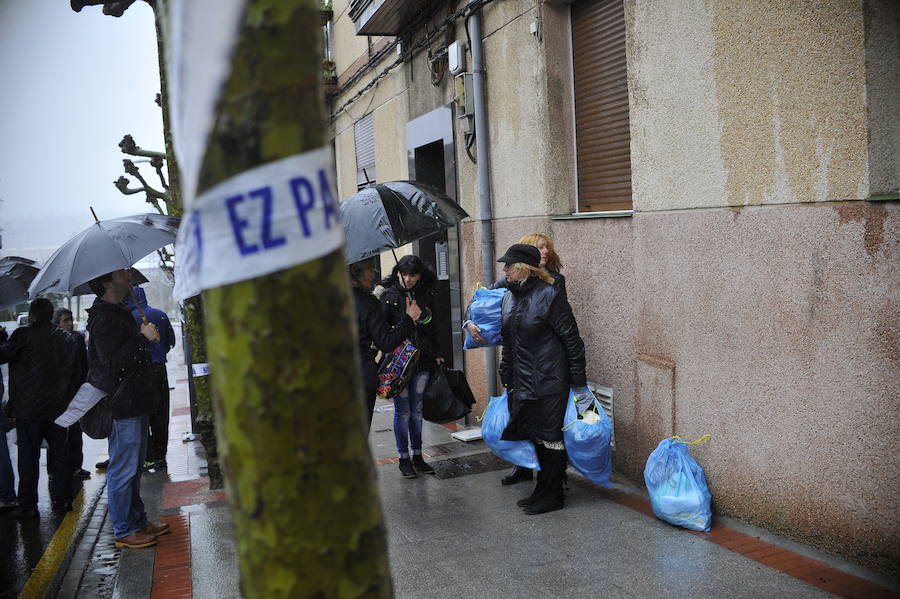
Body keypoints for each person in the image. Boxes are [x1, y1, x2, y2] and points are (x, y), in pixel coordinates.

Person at [495, 244, 590, 515]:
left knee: (550, 437)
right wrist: (506, 374)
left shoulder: (550, 295)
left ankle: (554, 493)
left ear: (524, 268)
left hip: (550, 380)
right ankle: (542, 488)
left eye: (509, 265)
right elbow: (508, 341)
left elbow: (572, 341)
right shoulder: (509, 297)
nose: (504, 270)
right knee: (535, 435)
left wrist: (579, 383)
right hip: (522, 380)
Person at [465, 232, 566, 486]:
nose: (544, 251)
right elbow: (478, 300)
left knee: (546, 429)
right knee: (521, 419)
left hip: (543, 368)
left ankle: (551, 482)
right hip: (518, 363)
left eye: (546, 247)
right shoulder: (509, 284)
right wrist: (468, 322)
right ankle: (522, 468)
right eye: (538, 247)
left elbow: (564, 331)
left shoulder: (555, 284)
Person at [86, 269, 168, 548]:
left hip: (135, 399)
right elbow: (114, 364)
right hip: (123, 404)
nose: (128, 279)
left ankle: (138, 520)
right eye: (122, 275)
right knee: (123, 467)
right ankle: (124, 529)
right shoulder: (104, 318)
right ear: (107, 282)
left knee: (134, 467)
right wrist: (143, 338)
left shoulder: (118, 311)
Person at [0, 298, 78, 517]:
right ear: (51, 315)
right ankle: (64, 501)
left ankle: (28, 506)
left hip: (28, 410)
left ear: (32, 315)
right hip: (58, 407)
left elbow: (3, 355)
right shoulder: (65, 338)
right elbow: (74, 370)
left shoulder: (22, 334)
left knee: (28, 459)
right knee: (60, 456)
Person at [379, 255, 444, 478]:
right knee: (402, 411)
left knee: (417, 411)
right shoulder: (388, 296)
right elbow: (382, 332)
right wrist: (403, 320)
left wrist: (437, 353)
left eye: (412, 274)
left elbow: (433, 325)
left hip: (422, 359)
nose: (407, 279)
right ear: (398, 273)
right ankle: (403, 458)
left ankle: (417, 455)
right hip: (399, 362)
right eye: (403, 274)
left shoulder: (425, 294)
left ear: (419, 275)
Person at [349, 257, 421, 429]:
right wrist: (409, 319)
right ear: (358, 273)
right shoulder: (367, 302)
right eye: (370, 269)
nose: (374, 273)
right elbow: (386, 342)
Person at [124, 287, 175, 471]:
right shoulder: (160, 315)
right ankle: (161, 456)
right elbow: (170, 342)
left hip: (139, 373)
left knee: (143, 415)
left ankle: (149, 455)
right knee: (161, 413)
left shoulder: (127, 319)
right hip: (159, 369)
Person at [52, 308, 91, 480]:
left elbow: (84, 364)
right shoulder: (52, 340)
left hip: (75, 390)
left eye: (70, 319)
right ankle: (56, 470)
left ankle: (76, 466)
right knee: (57, 433)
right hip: (57, 393)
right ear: (57, 322)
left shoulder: (77, 338)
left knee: (75, 432)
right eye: (65, 320)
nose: (69, 323)